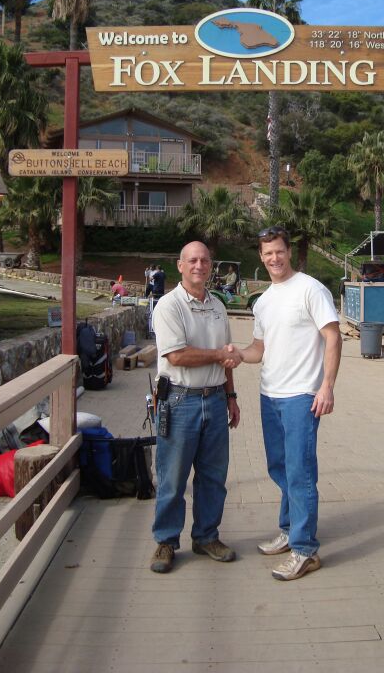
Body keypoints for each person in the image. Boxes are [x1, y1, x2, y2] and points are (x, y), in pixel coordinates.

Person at [226, 226, 342, 581]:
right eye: (267, 253)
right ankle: (290, 529)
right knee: (279, 467)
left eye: (279, 251)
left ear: (288, 252)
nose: (274, 258)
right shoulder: (263, 301)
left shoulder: (310, 289)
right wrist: (237, 355)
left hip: (301, 396)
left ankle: (305, 549)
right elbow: (259, 349)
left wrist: (327, 386)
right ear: (260, 257)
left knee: (300, 471)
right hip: (269, 394)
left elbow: (333, 336)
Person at [149, 241, 242, 574]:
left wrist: (231, 397)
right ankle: (165, 541)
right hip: (179, 400)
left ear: (210, 265)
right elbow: (176, 356)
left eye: (204, 260)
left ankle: (206, 536)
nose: (199, 265)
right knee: (172, 477)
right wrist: (219, 356)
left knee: (213, 477)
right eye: (192, 260)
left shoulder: (217, 305)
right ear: (180, 265)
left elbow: (227, 354)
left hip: (215, 399)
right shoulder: (168, 306)